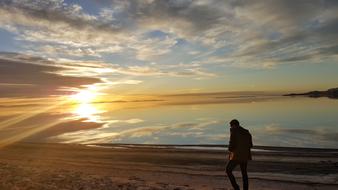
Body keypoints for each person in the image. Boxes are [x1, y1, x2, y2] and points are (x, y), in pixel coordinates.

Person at [226, 119, 253, 190]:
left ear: (234, 125)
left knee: (228, 170)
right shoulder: (247, 132)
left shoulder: (234, 131)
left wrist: (230, 149)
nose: (230, 127)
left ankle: (236, 187)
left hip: (237, 156)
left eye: (231, 126)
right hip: (245, 156)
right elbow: (250, 145)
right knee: (244, 173)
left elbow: (231, 146)